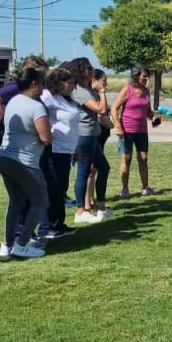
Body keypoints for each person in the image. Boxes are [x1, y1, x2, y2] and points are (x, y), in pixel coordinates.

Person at [0, 67, 51, 259]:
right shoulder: (35, 106)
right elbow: (46, 137)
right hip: (26, 162)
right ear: (34, 84)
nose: (44, 88)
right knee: (41, 200)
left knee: (16, 201)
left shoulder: (12, 101)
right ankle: (22, 244)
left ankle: (7, 244)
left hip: (5, 158)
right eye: (42, 83)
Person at [39, 66, 80, 239]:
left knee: (61, 188)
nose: (72, 86)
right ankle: (46, 227)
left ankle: (58, 223)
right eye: (69, 83)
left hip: (66, 150)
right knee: (52, 188)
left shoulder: (67, 99)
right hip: (53, 149)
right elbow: (40, 114)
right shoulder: (49, 97)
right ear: (58, 83)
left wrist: (76, 146)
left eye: (73, 83)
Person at [72, 62, 112, 223]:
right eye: (89, 70)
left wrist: (99, 92)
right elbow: (101, 109)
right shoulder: (79, 91)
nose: (92, 72)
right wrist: (101, 92)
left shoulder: (88, 89)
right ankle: (81, 211)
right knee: (84, 172)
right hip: (84, 136)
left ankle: (101, 207)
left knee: (104, 168)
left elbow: (104, 109)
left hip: (92, 136)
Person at [112, 64, 159, 197]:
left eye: (147, 77)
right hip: (127, 130)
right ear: (136, 75)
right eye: (144, 76)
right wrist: (118, 126)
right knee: (126, 158)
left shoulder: (146, 91)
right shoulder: (127, 90)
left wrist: (154, 118)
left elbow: (148, 111)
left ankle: (145, 187)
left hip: (142, 131)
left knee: (143, 158)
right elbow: (114, 108)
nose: (146, 79)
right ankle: (124, 189)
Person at [0, 54, 48, 123]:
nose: (42, 76)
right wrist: (5, 120)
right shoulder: (17, 86)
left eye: (43, 73)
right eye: (40, 73)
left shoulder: (33, 89)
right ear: (27, 71)